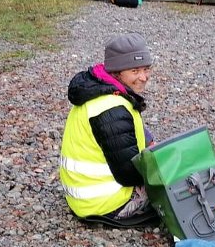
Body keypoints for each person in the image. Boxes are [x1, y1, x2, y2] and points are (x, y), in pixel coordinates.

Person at [59, 32, 159, 226]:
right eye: (135, 71)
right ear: (117, 72)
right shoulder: (111, 109)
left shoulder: (101, 90)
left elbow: (125, 131)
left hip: (83, 195)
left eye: (146, 69)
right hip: (105, 203)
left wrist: (150, 142)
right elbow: (129, 174)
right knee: (180, 190)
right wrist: (165, 167)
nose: (144, 77)